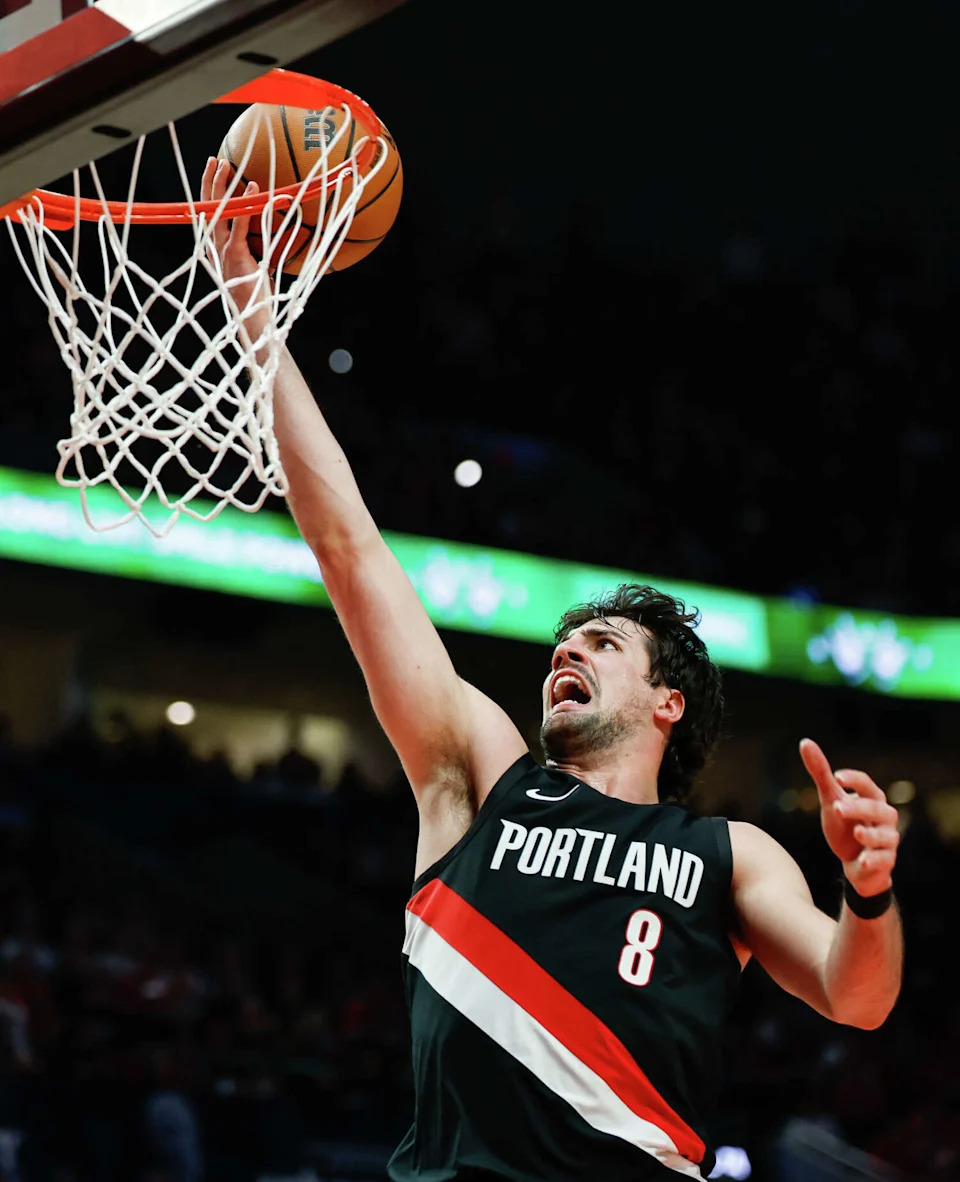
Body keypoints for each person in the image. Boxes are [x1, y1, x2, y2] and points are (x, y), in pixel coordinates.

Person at [200, 159, 904, 1182]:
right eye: (563, 643)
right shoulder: (484, 773)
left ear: (669, 703)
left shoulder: (730, 854)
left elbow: (858, 998)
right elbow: (351, 551)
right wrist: (250, 307)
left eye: (603, 644)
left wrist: (872, 890)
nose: (566, 651)